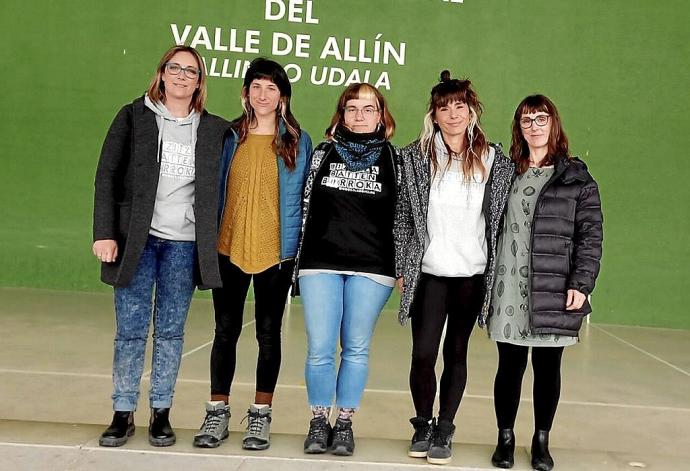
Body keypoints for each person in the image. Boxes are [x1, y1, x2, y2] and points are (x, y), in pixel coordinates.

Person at [93, 45, 229, 447]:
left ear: (200, 81)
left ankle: (161, 413)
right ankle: (122, 412)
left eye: (191, 71)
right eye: (175, 68)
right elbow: (107, 177)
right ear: (162, 73)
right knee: (131, 331)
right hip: (137, 241)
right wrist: (104, 233)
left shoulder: (214, 129)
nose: (182, 76)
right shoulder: (133, 117)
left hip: (183, 245)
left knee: (170, 332)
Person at [394, 71, 514, 465]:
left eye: (459, 106)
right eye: (444, 107)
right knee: (423, 354)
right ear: (434, 113)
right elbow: (402, 219)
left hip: (472, 274)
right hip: (428, 272)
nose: (452, 114)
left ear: (471, 110)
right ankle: (423, 424)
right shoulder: (414, 156)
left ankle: (445, 427)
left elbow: (501, 217)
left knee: (457, 352)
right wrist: (402, 266)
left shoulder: (494, 158)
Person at [192, 58, 312, 451]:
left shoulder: (299, 140)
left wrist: (297, 255)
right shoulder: (229, 136)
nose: (263, 94)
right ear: (245, 93)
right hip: (229, 249)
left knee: (267, 335)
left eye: (272, 88)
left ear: (283, 97)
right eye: (256, 86)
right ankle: (217, 411)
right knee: (224, 332)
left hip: (276, 254)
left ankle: (260, 415)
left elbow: (304, 202)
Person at [484, 95, 603, 470]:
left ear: (554, 123)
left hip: (553, 284)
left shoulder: (576, 177)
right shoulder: (506, 172)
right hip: (508, 283)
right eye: (525, 120)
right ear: (519, 128)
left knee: (548, 367)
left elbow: (590, 234)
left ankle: (541, 440)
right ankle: (505, 437)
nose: (534, 126)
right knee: (510, 365)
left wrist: (581, 283)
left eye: (541, 118)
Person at [295, 83, 398, 456]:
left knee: (355, 348)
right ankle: (319, 421)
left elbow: (403, 218)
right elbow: (303, 205)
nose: (359, 115)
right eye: (351, 108)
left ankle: (345, 424)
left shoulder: (396, 160)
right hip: (320, 262)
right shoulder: (322, 152)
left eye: (368, 109)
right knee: (320, 348)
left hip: (373, 266)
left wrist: (404, 267)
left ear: (381, 116)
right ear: (341, 114)